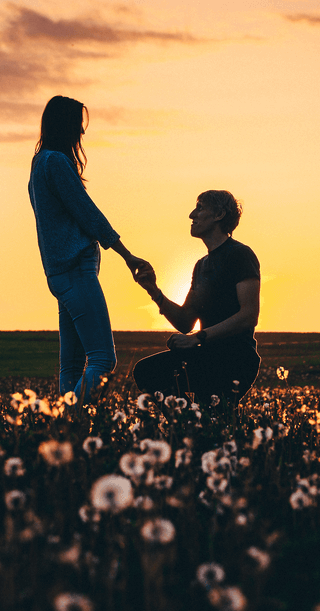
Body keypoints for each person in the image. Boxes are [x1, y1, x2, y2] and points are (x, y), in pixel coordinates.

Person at [28, 95, 150, 403]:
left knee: (71, 365)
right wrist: (127, 254)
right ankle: (67, 419)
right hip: (75, 271)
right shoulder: (55, 162)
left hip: (59, 275)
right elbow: (88, 213)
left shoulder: (40, 163)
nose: (82, 133)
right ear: (66, 125)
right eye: (78, 125)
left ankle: (68, 435)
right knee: (103, 360)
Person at [133, 190, 261, 404]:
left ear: (219, 214)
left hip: (236, 359)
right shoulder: (201, 265)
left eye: (200, 208)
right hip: (207, 357)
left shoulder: (240, 254)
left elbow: (248, 315)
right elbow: (185, 322)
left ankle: (194, 424)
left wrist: (197, 338)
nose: (192, 214)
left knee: (217, 419)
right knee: (148, 372)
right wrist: (154, 291)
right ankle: (188, 424)